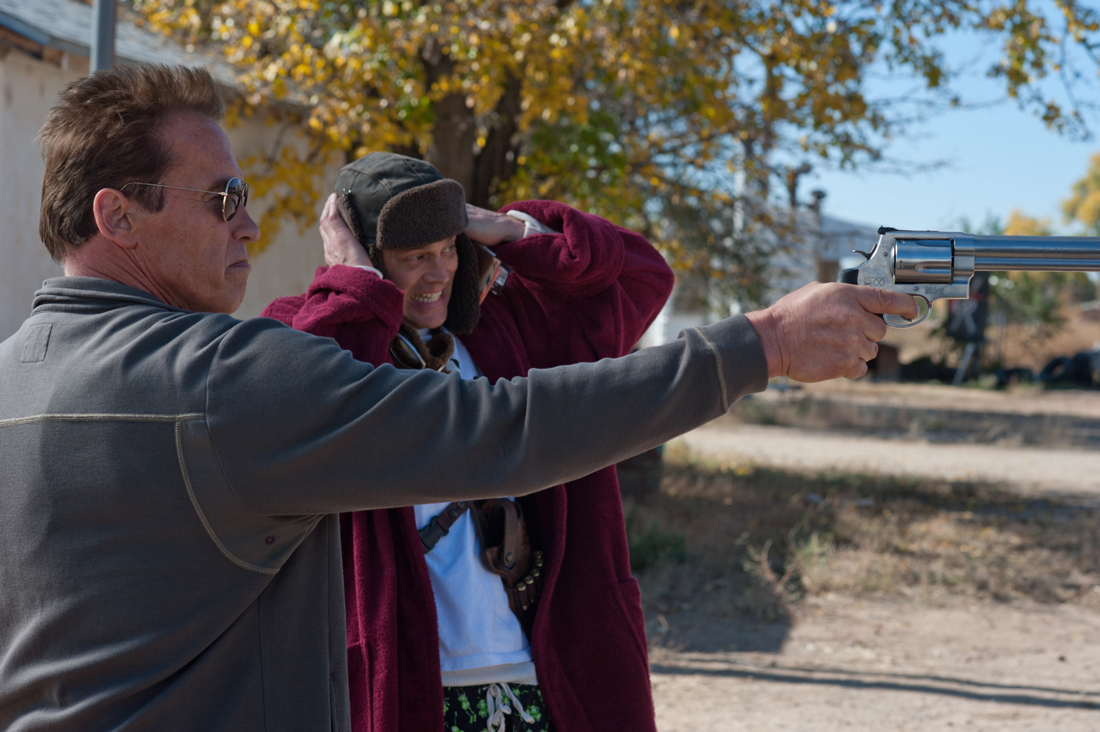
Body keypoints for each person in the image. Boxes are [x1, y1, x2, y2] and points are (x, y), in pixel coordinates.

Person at [0, 63, 916, 732]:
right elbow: (501, 431)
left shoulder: (13, 379)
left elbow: (633, 282)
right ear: (118, 216)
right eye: (224, 196)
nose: (248, 220)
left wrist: (505, 228)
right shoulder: (226, 379)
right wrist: (764, 343)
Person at [262, 152, 674, 732]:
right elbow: (295, 405)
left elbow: (642, 277)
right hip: (412, 687)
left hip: (549, 673)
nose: (439, 273)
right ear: (364, 257)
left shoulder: (513, 327)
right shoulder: (309, 335)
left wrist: (511, 230)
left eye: (448, 250)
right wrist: (357, 293)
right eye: (413, 258)